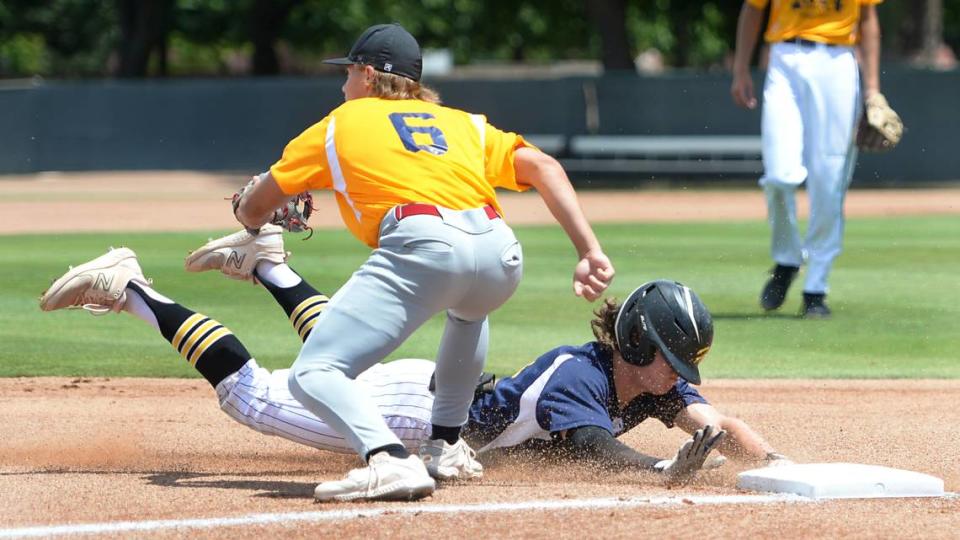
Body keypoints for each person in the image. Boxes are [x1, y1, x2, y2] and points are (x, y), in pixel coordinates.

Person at [39, 235, 790, 496]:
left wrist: (771, 464)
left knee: (331, 349)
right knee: (258, 400)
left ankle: (269, 264)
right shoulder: (580, 378)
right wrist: (661, 473)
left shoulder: (646, 380)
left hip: (436, 397)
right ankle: (131, 286)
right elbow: (597, 447)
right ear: (634, 348)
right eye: (672, 360)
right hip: (413, 416)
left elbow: (712, 421)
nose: (680, 376)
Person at [227, 23, 615, 501]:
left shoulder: (339, 123)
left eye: (348, 72)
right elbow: (545, 167)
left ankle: (387, 459)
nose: (343, 83)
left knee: (315, 372)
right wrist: (589, 250)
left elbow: (256, 205)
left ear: (368, 75)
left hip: (424, 244)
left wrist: (247, 210)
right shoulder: (463, 123)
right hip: (499, 250)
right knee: (470, 311)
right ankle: (447, 445)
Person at [730, 0, 886, 318]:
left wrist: (872, 90)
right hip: (784, 57)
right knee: (779, 175)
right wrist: (741, 68)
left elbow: (868, 18)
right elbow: (753, 9)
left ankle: (816, 286)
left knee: (829, 180)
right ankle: (787, 258)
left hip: (839, 59)